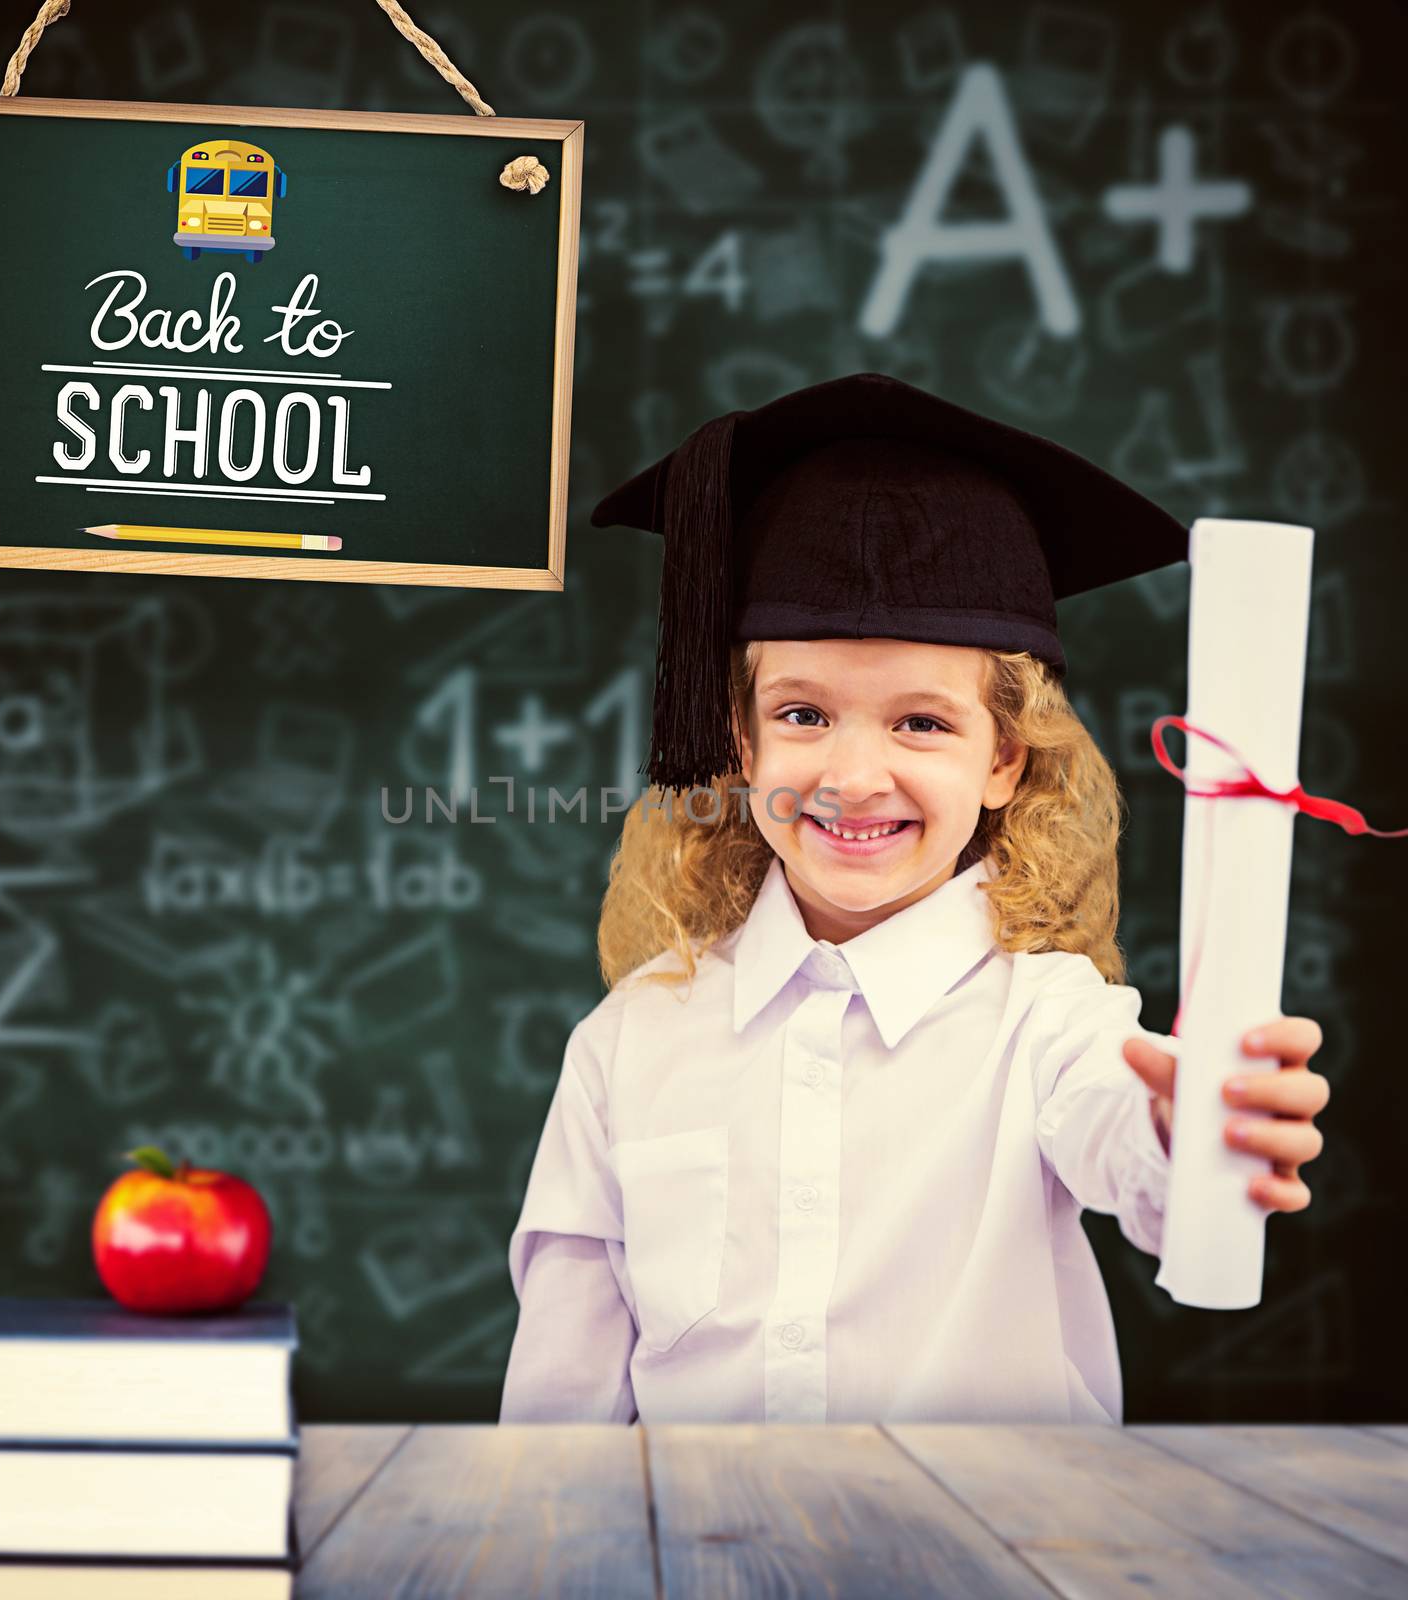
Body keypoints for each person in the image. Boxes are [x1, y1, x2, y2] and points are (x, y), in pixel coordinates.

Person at [498, 372, 1330, 1425]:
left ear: (1005, 761)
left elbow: (1132, 1149)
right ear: (740, 743)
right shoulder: (631, 1041)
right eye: (802, 714)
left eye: (921, 724)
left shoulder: (1048, 1022)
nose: (852, 776)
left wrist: (1193, 1128)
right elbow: (557, 1409)